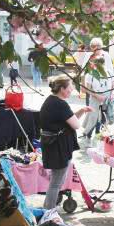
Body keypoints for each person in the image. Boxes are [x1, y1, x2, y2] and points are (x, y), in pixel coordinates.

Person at [40, 76, 92, 209]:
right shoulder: (60, 104)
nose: (72, 90)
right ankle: (49, 212)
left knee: (56, 181)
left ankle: (49, 208)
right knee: (56, 183)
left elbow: (68, 120)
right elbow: (75, 125)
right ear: (62, 89)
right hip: (58, 147)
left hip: (53, 145)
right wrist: (80, 115)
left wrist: (81, 111)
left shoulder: (52, 100)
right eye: (70, 88)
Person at [83, 57, 113, 140]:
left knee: (103, 116)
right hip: (95, 97)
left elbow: (112, 84)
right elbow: (87, 89)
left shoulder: (109, 72)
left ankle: (99, 134)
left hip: (106, 98)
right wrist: (97, 96)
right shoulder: (91, 73)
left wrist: (110, 95)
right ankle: (88, 134)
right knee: (93, 116)